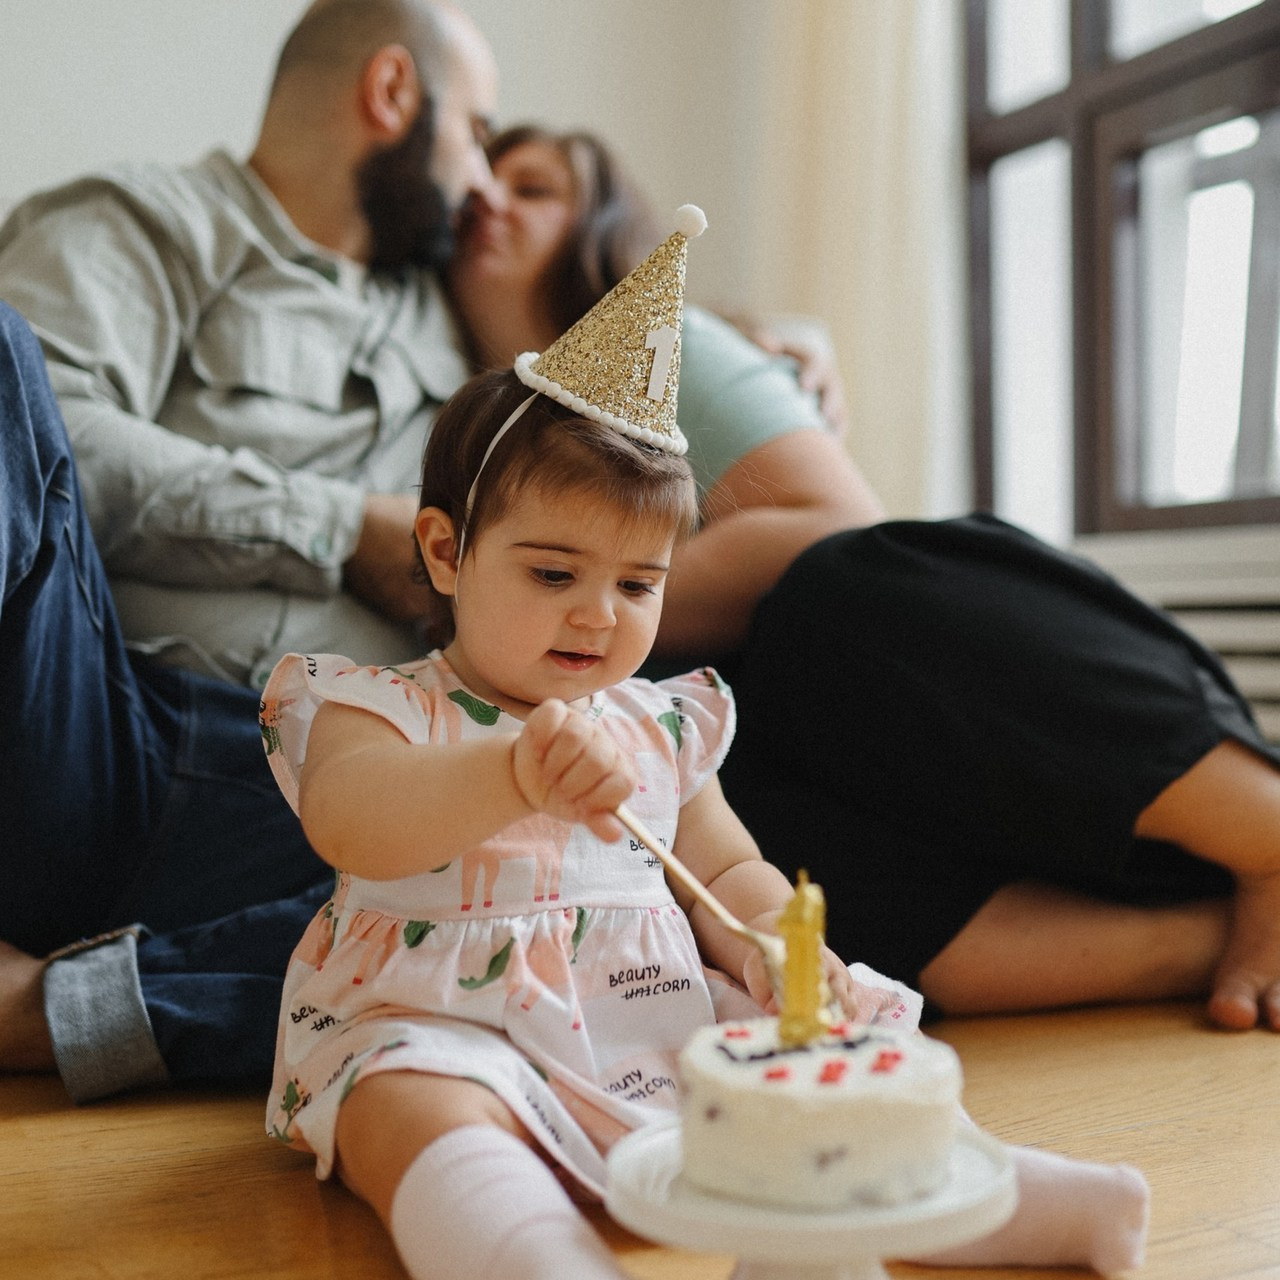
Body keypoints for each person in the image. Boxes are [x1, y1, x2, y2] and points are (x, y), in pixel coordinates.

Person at [0, 4, 879, 1103]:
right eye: (474, 133)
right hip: (106, 725)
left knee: (510, 898)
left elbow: (572, 414)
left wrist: (762, 343)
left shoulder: (443, 312)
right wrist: (341, 526)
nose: (477, 187)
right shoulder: (150, 225)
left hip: (341, 785)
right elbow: (55, 444)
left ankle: (59, 1010)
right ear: (389, 96)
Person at [258, 241, 1148, 1276]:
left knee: (808, 1104)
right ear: (445, 551)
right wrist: (505, 774)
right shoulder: (376, 706)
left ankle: (1034, 1204)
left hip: (646, 1023)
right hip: (440, 1026)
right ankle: (532, 1255)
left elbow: (721, 870)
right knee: (402, 1106)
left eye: (638, 584)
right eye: (553, 571)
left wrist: (770, 944)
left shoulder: (659, 725)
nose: (597, 614)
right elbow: (350, 816)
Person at [448, 123, 1280, 1036]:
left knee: (831, 591)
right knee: (747, 825)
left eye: (533, 188)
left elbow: (837, 518)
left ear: (598, 230)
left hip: (1013, 711)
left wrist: (566, 589)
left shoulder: (678, 340)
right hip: (861, 788)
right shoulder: (447, 417)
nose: (490, 198)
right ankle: (1198, 943)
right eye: (481, 184)